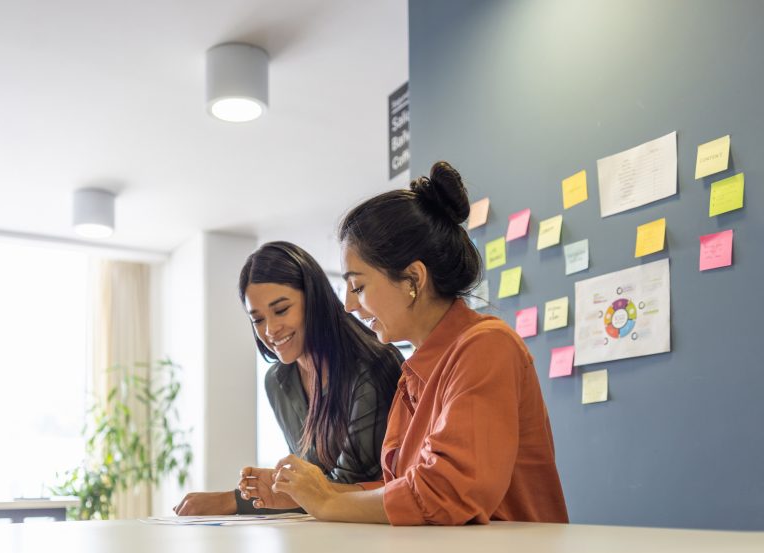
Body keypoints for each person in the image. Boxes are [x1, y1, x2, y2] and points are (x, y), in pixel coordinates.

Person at [265, 161, 569, 525]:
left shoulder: (488, 347)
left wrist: (326, 503)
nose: (348, 305)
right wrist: (307, 493)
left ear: (413, 279)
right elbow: (401, 489)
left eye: (358, 286)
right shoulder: (414, 373)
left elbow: (444, 494)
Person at [173, 241, 404, 515]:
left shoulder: (372, 366)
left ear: (314, 299)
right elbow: (312, 484)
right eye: (257, 319)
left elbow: (347, 485)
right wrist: (272, 486)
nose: (270, 329)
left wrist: (235, 500)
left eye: (281, 310)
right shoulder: (278, 381)